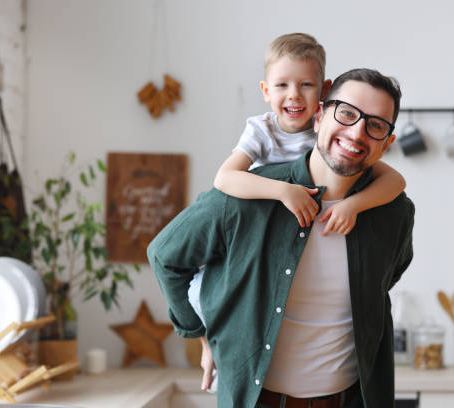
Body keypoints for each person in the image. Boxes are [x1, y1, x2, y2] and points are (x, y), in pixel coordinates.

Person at [148, 68, 415, 407]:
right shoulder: (248, 196)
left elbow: (388, 276)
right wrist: (199, 333)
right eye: (346, 113)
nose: (357, 132)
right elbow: (164, 256)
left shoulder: (394, 214)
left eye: (375, 125)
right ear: (319, 116)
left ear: (387, 144)